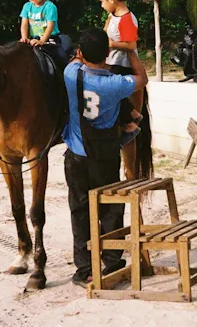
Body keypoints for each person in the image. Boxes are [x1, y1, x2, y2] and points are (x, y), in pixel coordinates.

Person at [61, 28, 149, 287]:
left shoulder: (71, 75)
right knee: (110, 208)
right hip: (106, 156)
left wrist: (81, 54)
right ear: (108, 54)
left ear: (80, 53)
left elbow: (75, 61)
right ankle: (112, 262)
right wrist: (129, 50)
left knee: (79, 210)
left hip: (77, 155)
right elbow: (141, 78)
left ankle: (85, 268)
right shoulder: (115, 84)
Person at [97, 0, 143, 146]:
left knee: (110, 88)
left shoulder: (126, 19)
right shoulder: (113, 16)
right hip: (113, 61)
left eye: (103, 1)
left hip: (123, 64)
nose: (102, 6)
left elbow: (131, 44)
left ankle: (131, 118)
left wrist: (110, 43)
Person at [19, 0, 69, 66]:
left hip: (50, 39)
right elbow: (24, 24)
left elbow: (50, 26)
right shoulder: (27, 6)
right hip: (33, 40)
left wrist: (42, 41)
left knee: (61, 58)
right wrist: (24, 37)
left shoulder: (50, 7)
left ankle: (64, 76)